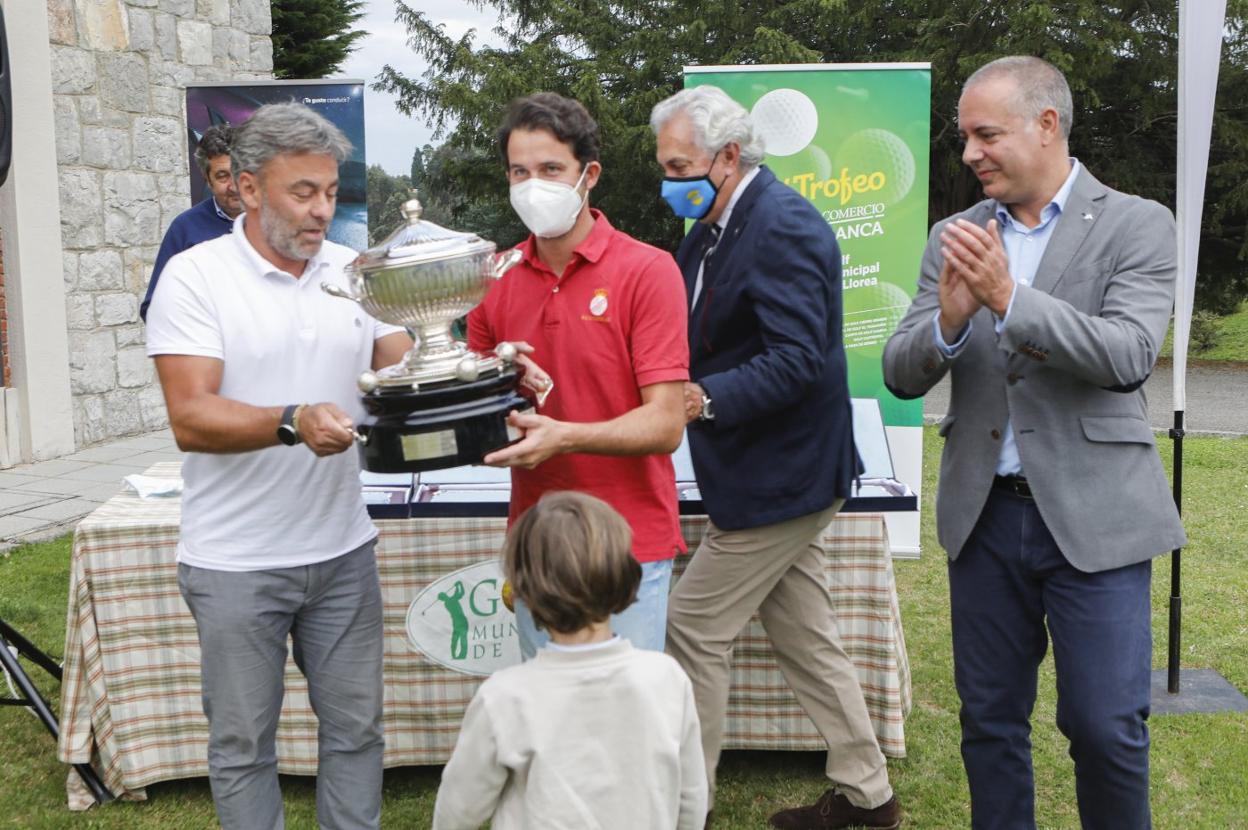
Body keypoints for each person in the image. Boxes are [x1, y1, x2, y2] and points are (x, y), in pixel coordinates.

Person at [882, 56, 1185, 829]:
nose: (970, 153)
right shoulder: (954, 236)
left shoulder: (1137, 223)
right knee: (988, 723)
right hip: (984, 518)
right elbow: (900, 370)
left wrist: (1008, 298)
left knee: (1105, 727)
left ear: (1047, 124)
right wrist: (949, 322)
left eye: (986, 134)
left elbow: (1127, 356)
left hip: (1096, 517)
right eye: (964, 138)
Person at [145, 102, 412, 830]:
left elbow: (405, 372)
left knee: (357, 733)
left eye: (329, 191)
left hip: (343, 551)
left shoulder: (353, 272)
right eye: (303, 192)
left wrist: (479, 370)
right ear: (249, 188)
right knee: (242, 746)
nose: (322, 209)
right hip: (236, 561)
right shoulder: (195, 277)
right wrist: (291, 420)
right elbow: (190, 416)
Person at [652, 85, 901, 830]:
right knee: (805, 635)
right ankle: (869, 796)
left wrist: (700, 399)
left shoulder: (784, 224)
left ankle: (686, 807)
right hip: (761, 468)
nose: (669, 183)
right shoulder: (711, 226)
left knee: (692, 625)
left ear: (728, 156)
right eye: (664, 167)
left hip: (786, 473)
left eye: (679, 167)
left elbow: (798, 360)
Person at [467, 92, 689, 658]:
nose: (532, 185)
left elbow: (666, 424)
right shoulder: (494, 278)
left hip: (628, 544)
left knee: (624, 713)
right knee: (546, 711)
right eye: (519, 172)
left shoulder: (648, 270)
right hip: (537, 544)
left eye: (550, 169)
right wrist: (491, 398)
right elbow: (477, 416)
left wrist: (565, 436)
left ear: (588, 175)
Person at [432, 491, 708, 830]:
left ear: (523, 591)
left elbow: (459, 808)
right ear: (624, 573)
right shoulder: (666, 678)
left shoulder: (504, 696)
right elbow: (691, 797)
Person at [141, 123, 241, 321]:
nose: (234, 186)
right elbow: (154, 307)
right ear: (207, 179)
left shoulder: (276, 223)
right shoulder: (185, 229)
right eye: (222, 176)